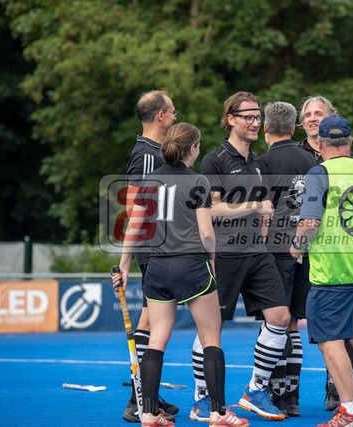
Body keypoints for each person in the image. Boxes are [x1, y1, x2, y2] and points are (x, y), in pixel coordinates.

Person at [113, 123, 248, 427]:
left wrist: (124, 265)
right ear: (193, 148)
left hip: (157, 268)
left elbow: (134, 226)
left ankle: (149, 414)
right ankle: (218, 413)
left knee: (157, 341)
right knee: (211, 339)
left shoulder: (149, 181)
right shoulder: (198, 180)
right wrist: (212, 259)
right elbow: (206, 232)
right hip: (191, 266)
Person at [191, 91, 290, 422]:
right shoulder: (214, 159)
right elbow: (211, 210)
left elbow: (266, 210)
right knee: (212, 327)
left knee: (280, 317)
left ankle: (255, 391)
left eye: (258, 116)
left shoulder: (259, 162)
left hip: (257, 254)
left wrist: (262, 234)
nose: (255, 122)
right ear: (230, 119)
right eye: (248, 116)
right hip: (225, 254)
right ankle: (202, 398)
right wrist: (254, 206)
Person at [290, 115, 353, 427]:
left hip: (335, 272)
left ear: (319, 143)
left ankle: (349, 409)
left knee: (330, 340)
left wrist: (297, 246)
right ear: (351, 142)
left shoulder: (319, 173)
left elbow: (310, 222)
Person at [297, 95, 353, 410]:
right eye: (307, 114)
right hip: (350, 261)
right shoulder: (293, 154)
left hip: (332, 262)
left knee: (335, 335)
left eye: (318, 113)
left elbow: (311, 220)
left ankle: (345, 399)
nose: (312, 117)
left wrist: (295, 247)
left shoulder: (342, 164)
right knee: (351, 334)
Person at [258, 101, 318, 418]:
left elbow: (263, 211)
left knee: (274, 324)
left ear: (266, 128)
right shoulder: (312, 159)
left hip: (276, 250)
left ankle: (277, 394)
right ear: (294, 128)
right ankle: (292, 396)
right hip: (306, 248)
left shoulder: (263, 162)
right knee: (292, 323)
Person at [122, 90, 178, 423]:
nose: (175, 117)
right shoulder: (146, 154)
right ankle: (139, 400)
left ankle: (145, 395)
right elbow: (135, 209)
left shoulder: (158, 152)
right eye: (173, 112)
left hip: (160, 247)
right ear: (160, 115)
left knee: (152, 321)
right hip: (154, 249)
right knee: (154, 322)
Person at [297, 95, 338, 162]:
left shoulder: (342, 152)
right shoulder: (294, 154)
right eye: (308, 115)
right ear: (303, 123)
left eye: (318, 114)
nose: (312, 119)